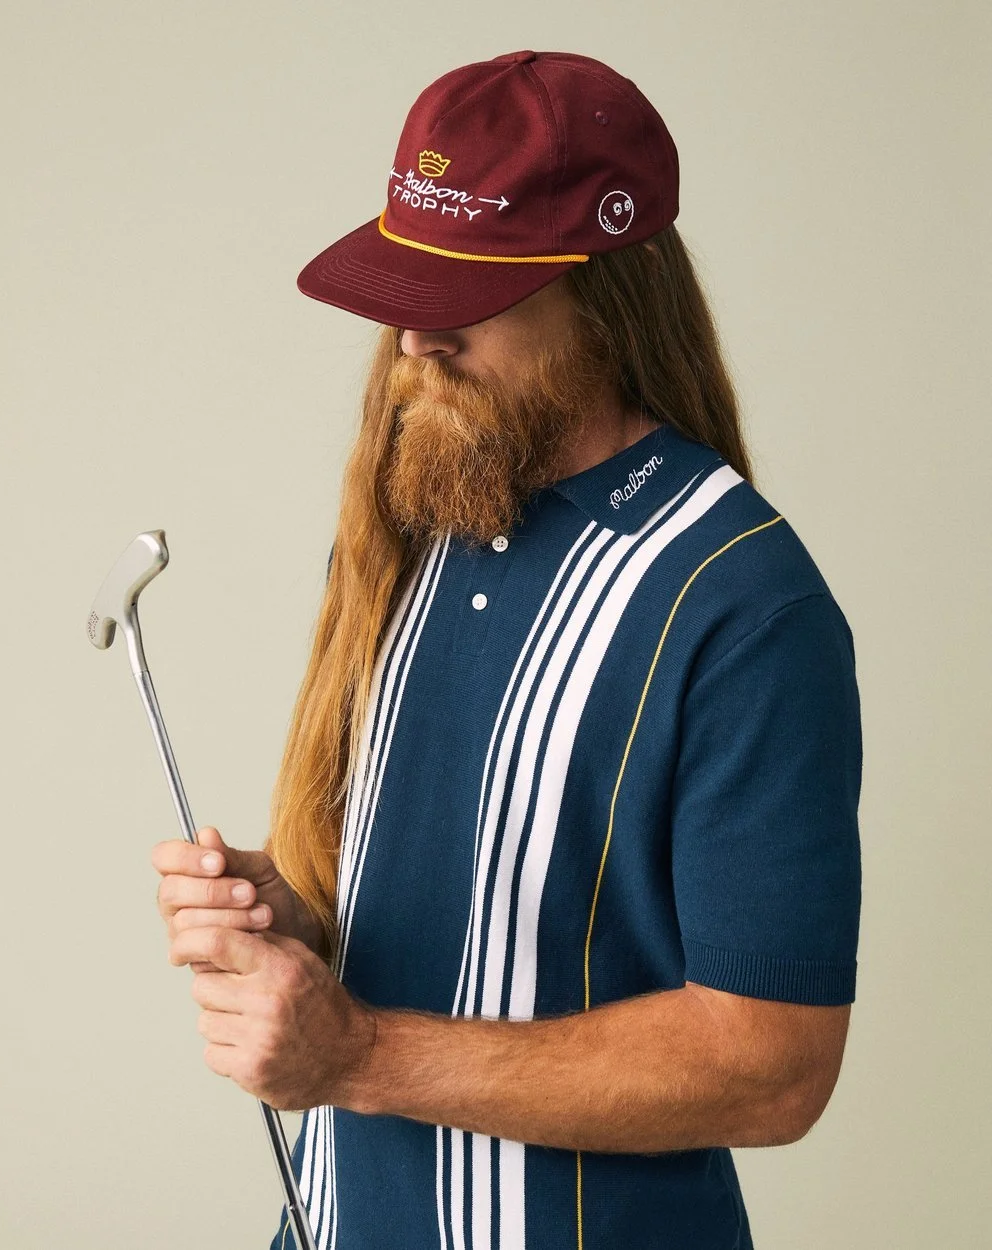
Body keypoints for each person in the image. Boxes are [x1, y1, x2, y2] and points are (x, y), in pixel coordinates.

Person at [152, 50, 862, 1250]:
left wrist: (359, 1051)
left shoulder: (741, 604)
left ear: (606, 292)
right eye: (403, 286)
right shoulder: (415, 521)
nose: (415, 339)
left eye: (464, 293)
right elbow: (486, 931)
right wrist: (298, 929)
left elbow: (771, 1067)